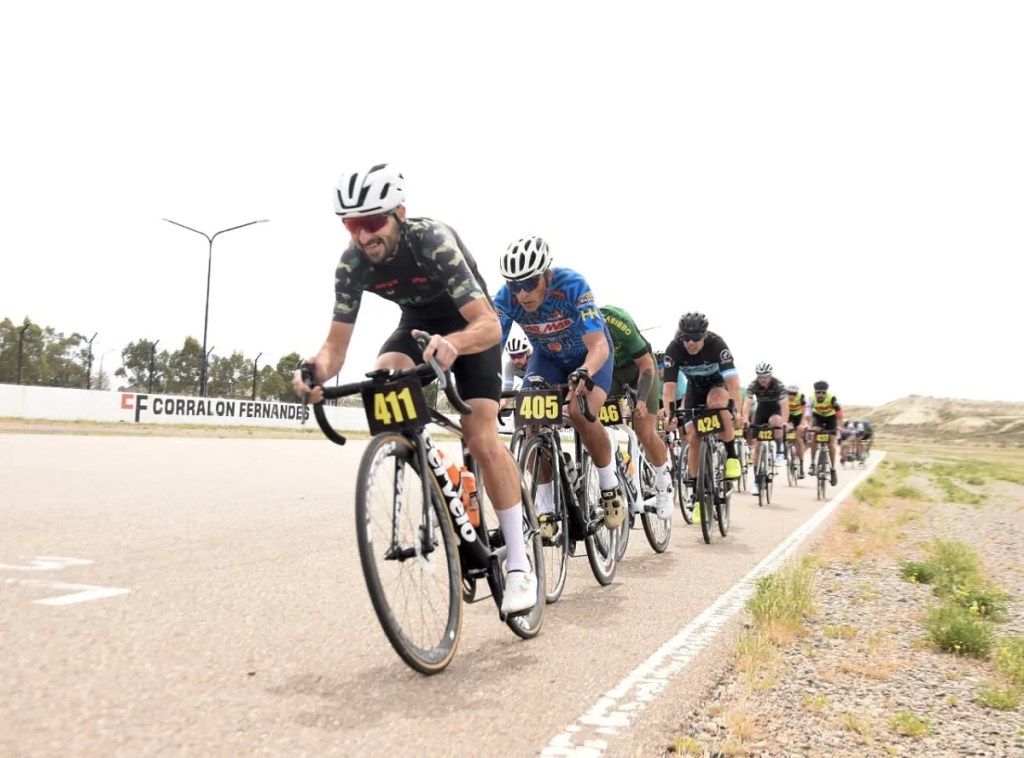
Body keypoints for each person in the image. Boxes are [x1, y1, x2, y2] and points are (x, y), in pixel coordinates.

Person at [291, 163, 537, 615]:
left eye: (372, 222)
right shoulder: (352, 264)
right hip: (418, 326)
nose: (363, 236)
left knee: (481, 436)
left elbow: (489, 325)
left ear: (399, 214)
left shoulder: (431, 242)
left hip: (470, 326)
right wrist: (314, 371)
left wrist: (455, 343)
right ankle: (438, 471)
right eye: (351, 225)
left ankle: (520, 567)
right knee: (384, 376)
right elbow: (334, 349)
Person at [493, 236, 626, 532]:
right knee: (530, 417)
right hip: (548, 358)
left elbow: (598, 346)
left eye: (529, 283)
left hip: (588, 356)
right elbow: (491, 348)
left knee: (579, 412)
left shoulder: (571, 285)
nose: (522, 293)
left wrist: (586, 371)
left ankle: (610, 486)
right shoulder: (505, 298)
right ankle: (546, 505)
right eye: (515, 286)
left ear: (547, 275)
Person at [599, 304, 673, 519]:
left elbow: (647, 366)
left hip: (639, 369)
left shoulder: (617, 321)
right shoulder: (578, 327)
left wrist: (641, 399)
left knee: (644, 431)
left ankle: (663, 483)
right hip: (611, 372)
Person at [662, 312, 743, 488]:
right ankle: (697, 489)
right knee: (693, 437)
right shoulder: (674, 349)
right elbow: (669, 389)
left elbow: (733, 383)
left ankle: (731, 455)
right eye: (686, 338)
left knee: (717, 403)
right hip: (695, 388)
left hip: (717, 384)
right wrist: (670, 415)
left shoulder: (717, 344)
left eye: (696, 338)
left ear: (704, 334)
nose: (691, 342)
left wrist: (737, 412)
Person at [740, 362, 788, 497]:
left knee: (776, 421)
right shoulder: (753, 384)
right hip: (761, 412)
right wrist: (745, 418)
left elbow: (785, 404)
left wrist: (784, 421)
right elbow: (747, 402)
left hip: (775, 410)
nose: (763, 379)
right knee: (757, 446)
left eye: (765, 376)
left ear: (771, 375)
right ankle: (756, 482)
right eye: (760, 376)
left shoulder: (778, 384)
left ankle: (779, 450)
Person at [808, 379, 843, 486]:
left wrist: (839, 426)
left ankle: (833, 469)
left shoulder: (832, 398)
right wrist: (809, 425)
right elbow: (808, 414)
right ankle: (813, 464)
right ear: (815, 392)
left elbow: (839, 413)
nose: (820, 395)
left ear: (826, 392)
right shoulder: (811, 399)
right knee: (814, 437)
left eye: (823, 392)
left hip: (831, 418)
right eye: (818, 392)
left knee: (831, 443)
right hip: (818, 417)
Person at [786, 383, 808, 478]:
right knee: (784, 429)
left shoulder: (801, 397)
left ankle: (801, 465)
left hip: (798, 416)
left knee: (798, 437)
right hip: (788, 415)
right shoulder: (783, 397)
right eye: (789, 393)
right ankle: (786, 448)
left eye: (794, 394)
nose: (791, 396)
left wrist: (801, 424)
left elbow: (804, 413)